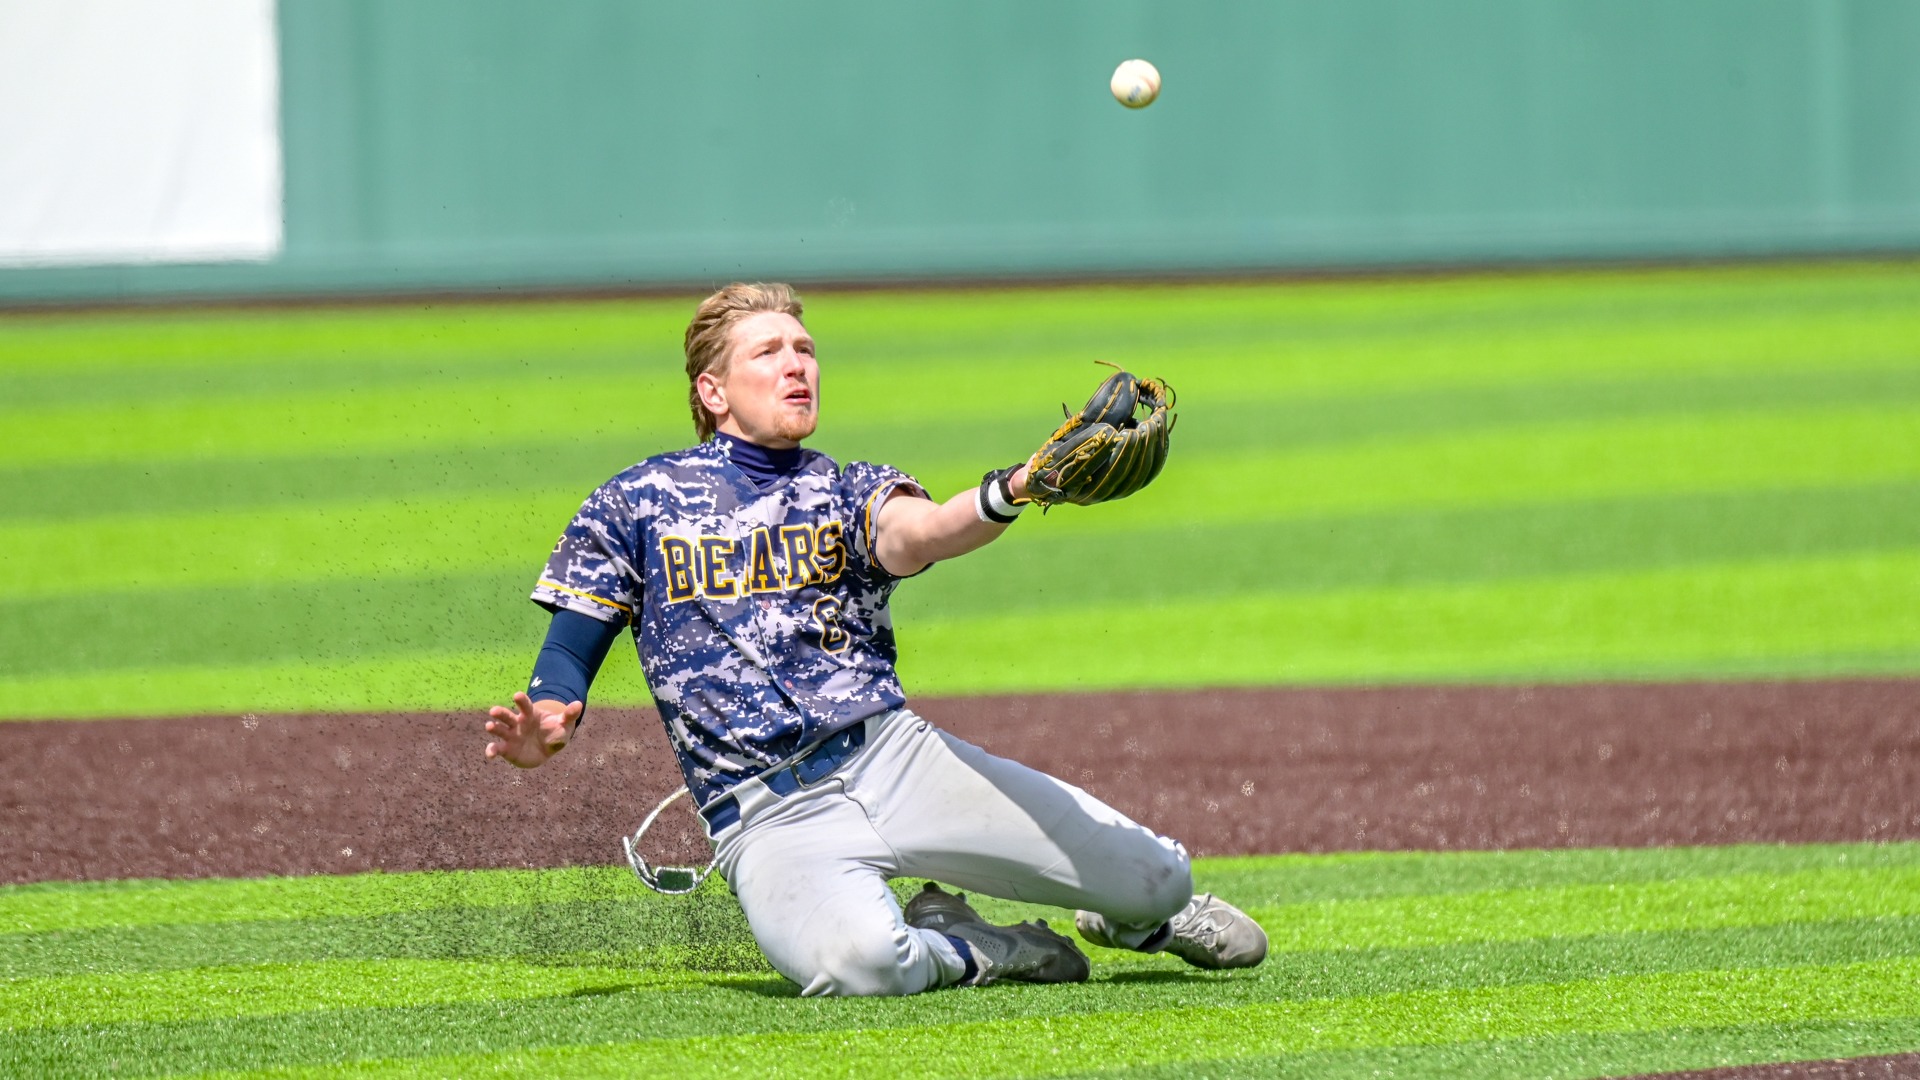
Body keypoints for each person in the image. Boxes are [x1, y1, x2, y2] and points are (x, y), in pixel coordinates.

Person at [482, 282, 1267, 996]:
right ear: (712, 391)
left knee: (1161, 880)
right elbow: (569, 650)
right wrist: (550, 716)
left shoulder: (844, 486)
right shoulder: (635, 503)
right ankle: (979, 947)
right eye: (768, 352)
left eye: (804, 349)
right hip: (766, 819)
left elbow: (923, 531)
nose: (797, 365)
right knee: (864, 964)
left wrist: (1017, 486)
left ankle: (1138, 920)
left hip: (894, 761)